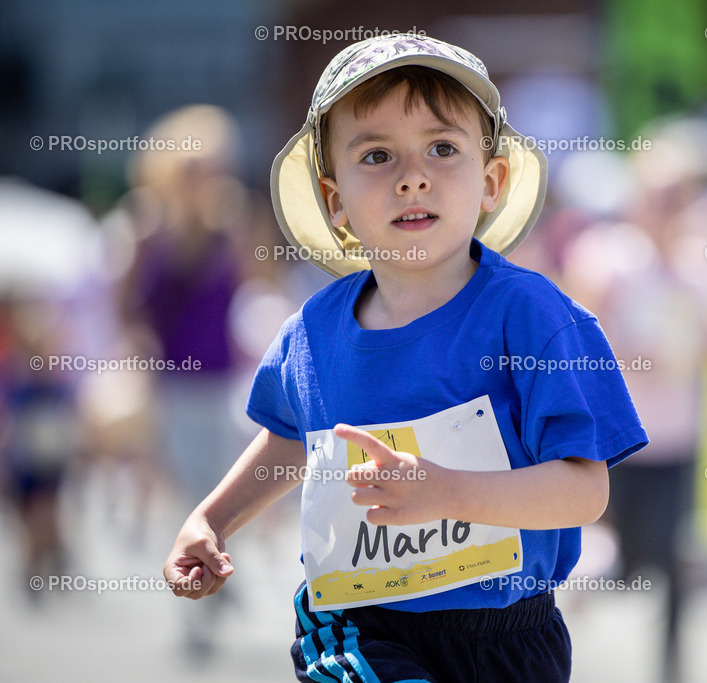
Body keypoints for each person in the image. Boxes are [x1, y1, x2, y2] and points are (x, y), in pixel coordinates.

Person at [163, 34, 647, 682]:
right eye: (377, 155)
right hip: (358, 622)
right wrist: (211, 518)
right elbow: (293, 439)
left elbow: (585, 490)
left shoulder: (535, 318)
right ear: (335, 201)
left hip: (510, 637)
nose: (412, 176)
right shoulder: (313, 330)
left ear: (492, 181)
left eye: (442, 148)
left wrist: (448, 491)